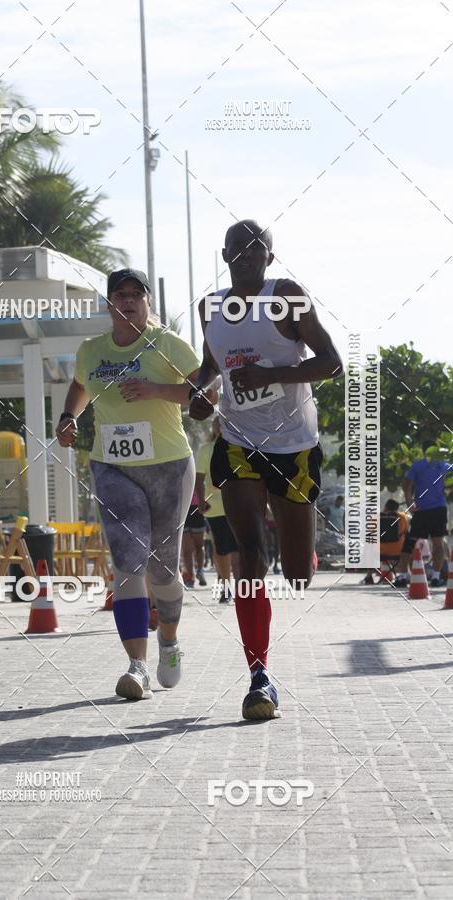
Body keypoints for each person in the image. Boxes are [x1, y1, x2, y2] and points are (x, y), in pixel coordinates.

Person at [189, 219, 342, 720]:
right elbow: (213, 364)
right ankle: (259, 676)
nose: (247, 253)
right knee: (250, 551)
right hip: (237, 442)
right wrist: (200, 390)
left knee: (295, 574)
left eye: (258, 247)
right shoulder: (210, 307)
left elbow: (331, 362)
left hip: (294, 446)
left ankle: (304, 553)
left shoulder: (287, 298)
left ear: (270, 258)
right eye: (237, 246)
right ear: (226, 253)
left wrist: (272, 375)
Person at [56, 267, 210, 701]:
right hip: (112, 466)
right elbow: (79, 385)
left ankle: (170, 641)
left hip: (168, 466)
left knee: (162, 568)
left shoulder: (167, 344)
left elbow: (206, 395)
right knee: (128, 562)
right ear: (109, 304)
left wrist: (156, 390)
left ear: (147, 303)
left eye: (135, 295)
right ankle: (136, 666)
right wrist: (70, 417)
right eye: (119, 295)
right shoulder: (91, 350)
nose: (127, 301)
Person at [395, 440, 453, 588]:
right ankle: (435, 576)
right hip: (437, 510)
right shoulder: (443, 465)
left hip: (422, 510)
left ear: (423, 450)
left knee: (410, 542)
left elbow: (406, 484)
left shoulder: (417, 465)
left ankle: (402, 577)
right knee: (438, 544)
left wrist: (409, 502)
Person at [195, 416, 239, 603]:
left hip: (237, 505)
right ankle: (225, 588)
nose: (219, 426)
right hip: (215, 506)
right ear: (213, 428)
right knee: (221, 548)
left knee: (238, 548)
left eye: (223, 422)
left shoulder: (239, 447)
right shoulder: (205, 450)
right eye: (216, 423)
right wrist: (201, 500)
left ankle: (240, 588)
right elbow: (199, 478)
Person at [181, 487, 207, 587]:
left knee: (199, 546)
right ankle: (190, 577)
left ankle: (200, 571)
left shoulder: (199, 472)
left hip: (197, 508)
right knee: (187, 549)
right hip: (183, 509)